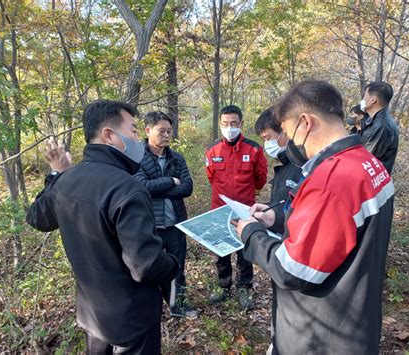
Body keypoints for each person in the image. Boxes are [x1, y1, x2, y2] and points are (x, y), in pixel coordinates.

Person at [234, 80, 395, 354]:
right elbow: (337, 225)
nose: (288, 143)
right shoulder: (367, 163)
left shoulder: (332, 179)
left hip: (320, 335)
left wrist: (251, 234)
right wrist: (276, 218)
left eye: (286, 131)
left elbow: (293, 271)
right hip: (355, 323)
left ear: (305, 122)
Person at [26, 100, 179, 354]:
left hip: (93, 317)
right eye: (132, 130)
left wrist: (57, 174)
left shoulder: (66, 181)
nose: (136, 138)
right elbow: (147, 264)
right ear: (109, 135)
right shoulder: (127, 188)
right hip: (133, 319)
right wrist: (173, 263)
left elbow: (37, 218)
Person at [134, 111, 197, 319]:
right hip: (150, 226)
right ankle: (151, 309)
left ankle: (178, 305)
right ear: (148, 130)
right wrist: (171, 181)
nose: (167, 135)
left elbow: (187, 188)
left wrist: (158, 188)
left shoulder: (176, 158)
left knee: (177, 268)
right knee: (149, 268)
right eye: (162, 131)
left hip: (176, 224)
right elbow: (142, 186)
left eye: (170, 131)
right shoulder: (136, 157)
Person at [205, 105, 268, 310]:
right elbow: (211, 177)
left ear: (241, 124)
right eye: (225, 124)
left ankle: (244, 288)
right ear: (220, 124)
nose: (229, 127)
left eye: (233, 123)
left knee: (244, 251)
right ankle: (223, 286)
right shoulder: (213, 149)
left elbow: (260, 181)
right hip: (219, 210)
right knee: (221, 251)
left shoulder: (254, 149)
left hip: (245, 210)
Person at [254, 107, 302, 234]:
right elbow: (281, 202)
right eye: (263, 139)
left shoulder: (303, 166)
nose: (267, 144)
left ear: (285, 131)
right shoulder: (286, 163)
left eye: (268, 138)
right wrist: (267, 209)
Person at [359, 81, 399, 174]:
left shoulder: (381, 126)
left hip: (371, 183)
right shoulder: (376, 121)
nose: (362, 100)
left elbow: (364, 159)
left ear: (373, 99)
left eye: (365, 96)